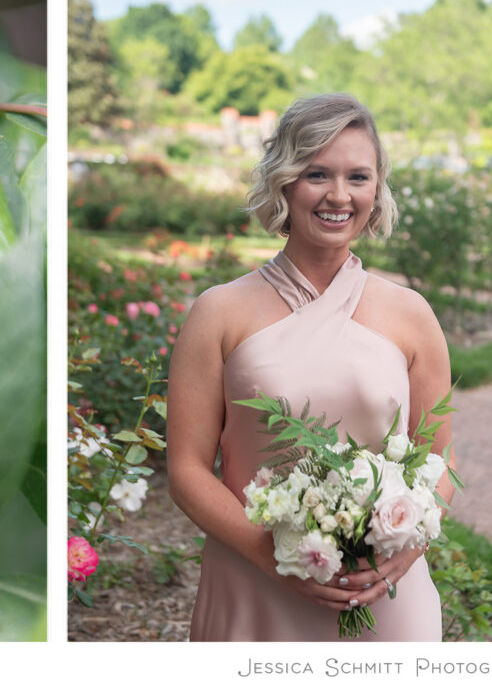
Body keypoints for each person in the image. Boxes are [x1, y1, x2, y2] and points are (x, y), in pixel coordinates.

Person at [166, 94, 458, 641]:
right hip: (256, 586)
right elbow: (185, 470)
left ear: (377, 189)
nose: (339, 195)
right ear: (284, 182)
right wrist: (276, 557)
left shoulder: (412, 315)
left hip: (384, 594)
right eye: (317, 173)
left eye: (358, 176)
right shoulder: (218, 313)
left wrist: (404, 550)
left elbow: (440, 459)